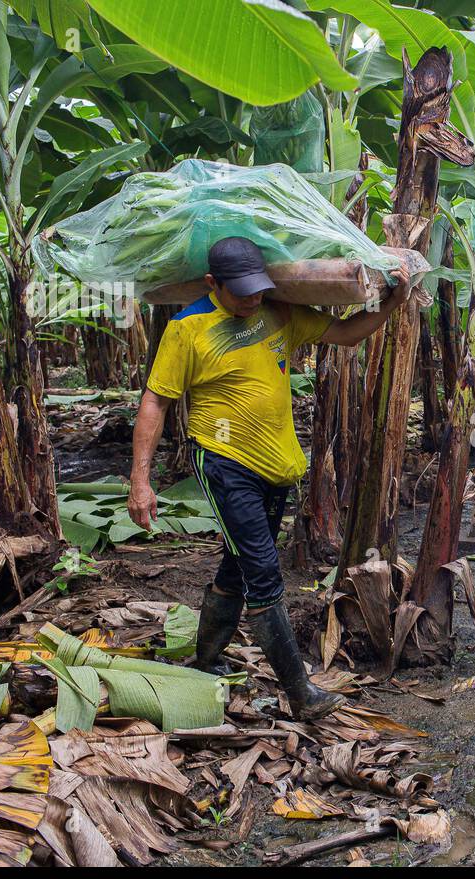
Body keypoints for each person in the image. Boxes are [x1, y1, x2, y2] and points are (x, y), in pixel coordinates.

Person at [128, 237, 410, 720]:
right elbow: (156, 401)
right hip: (222, 462)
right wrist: (140, 481)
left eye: (258, 288)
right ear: (213, 284)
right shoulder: (188, 328)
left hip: (276, 468)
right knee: (262, 571)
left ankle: (209, 658)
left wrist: (392, 302)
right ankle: (302, 694)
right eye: (240, 292)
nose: (252, 298)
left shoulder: (276, 313)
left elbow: (347, 334)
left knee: (238, 564)